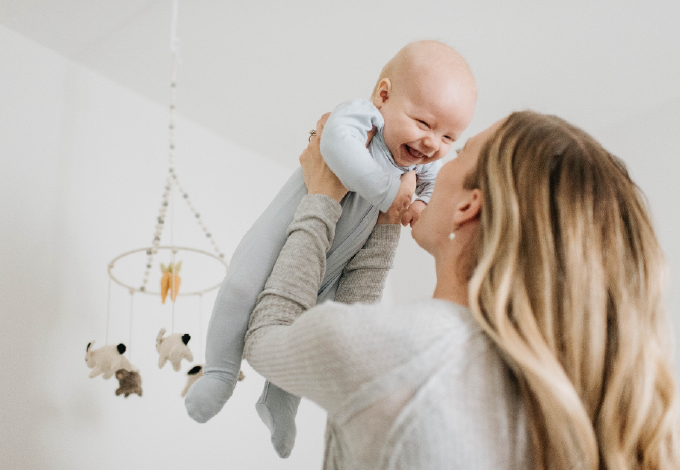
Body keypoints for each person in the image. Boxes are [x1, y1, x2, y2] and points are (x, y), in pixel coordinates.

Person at [244, 110, 680, 469]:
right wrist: (382, 220)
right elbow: (360, 342)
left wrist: (320, 197)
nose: (438, 156)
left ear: (469, 205)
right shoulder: (567, 398)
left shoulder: (406, 352)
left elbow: (267, 337)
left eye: (461, 150)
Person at [185, 40, 477, 458]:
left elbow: (425, 189)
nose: (432, 143)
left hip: (334, 261)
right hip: (284, 234)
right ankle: (219, 372)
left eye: (449, 136)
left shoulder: (418, 166)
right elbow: (334, 145)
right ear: (384, 95)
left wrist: (417, 204)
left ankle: (281, 403)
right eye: (424, 123)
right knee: (239, 289)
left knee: (310, 326)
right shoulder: (361, 118)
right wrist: (388, 192)